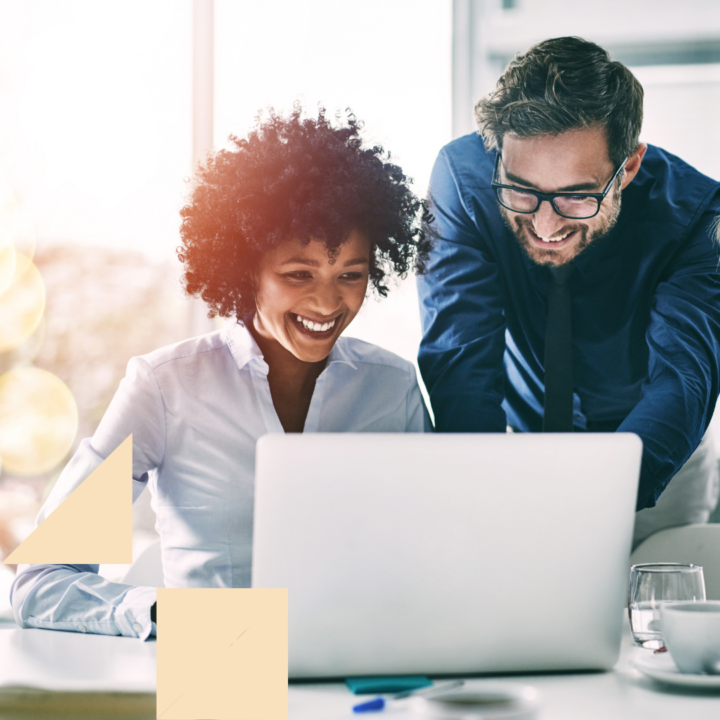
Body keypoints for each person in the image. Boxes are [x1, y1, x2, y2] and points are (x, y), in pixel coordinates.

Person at [10, 107, 432, 640]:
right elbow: (41, 581)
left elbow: (431, 555)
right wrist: (163, 614)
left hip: (357, 664)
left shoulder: (391, 389)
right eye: (298, 274)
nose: (328, 301)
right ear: (244, 267)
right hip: (218, 670)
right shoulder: (166, 387)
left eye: (352, 274)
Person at [417, 37, 720, 548]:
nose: (544, 222)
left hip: (658, 458)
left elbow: (683, 377)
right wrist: (478, 495)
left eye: (576, 196)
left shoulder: (700, 216)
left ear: (628, 166)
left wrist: (589, 499)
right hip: (516, 445)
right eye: (522, 189)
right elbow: (460, 358)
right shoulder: (464, 179)